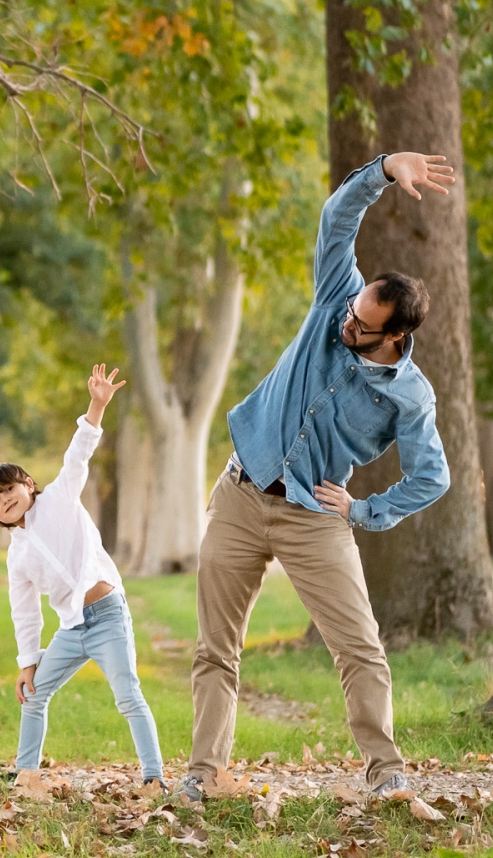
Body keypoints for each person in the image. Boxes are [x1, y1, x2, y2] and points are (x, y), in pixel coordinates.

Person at [181, 152, 455, 805]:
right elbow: (337, 219)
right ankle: (202, 772)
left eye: (362, 326)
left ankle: (386, 770)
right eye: (353, 310)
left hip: (315, 514)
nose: (346, 323)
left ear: (393, 340)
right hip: (241, 492)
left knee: (360, 647)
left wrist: (363, 511)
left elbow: (432, 476)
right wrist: (386, 169)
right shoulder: (338, 294)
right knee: (215, 647)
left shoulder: (408, 398)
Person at [0, 364, 166, 792]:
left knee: (127, 695)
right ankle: (26, 772)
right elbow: (23, 612)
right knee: (33, 692)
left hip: (107, 615)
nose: (6, 501)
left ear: (28, 484)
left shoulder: (60, 497)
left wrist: (96, 406)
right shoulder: (16, 556)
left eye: (10, 490)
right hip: (71, 629)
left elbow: (78, 453)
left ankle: (154, 777)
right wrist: (28, 662)